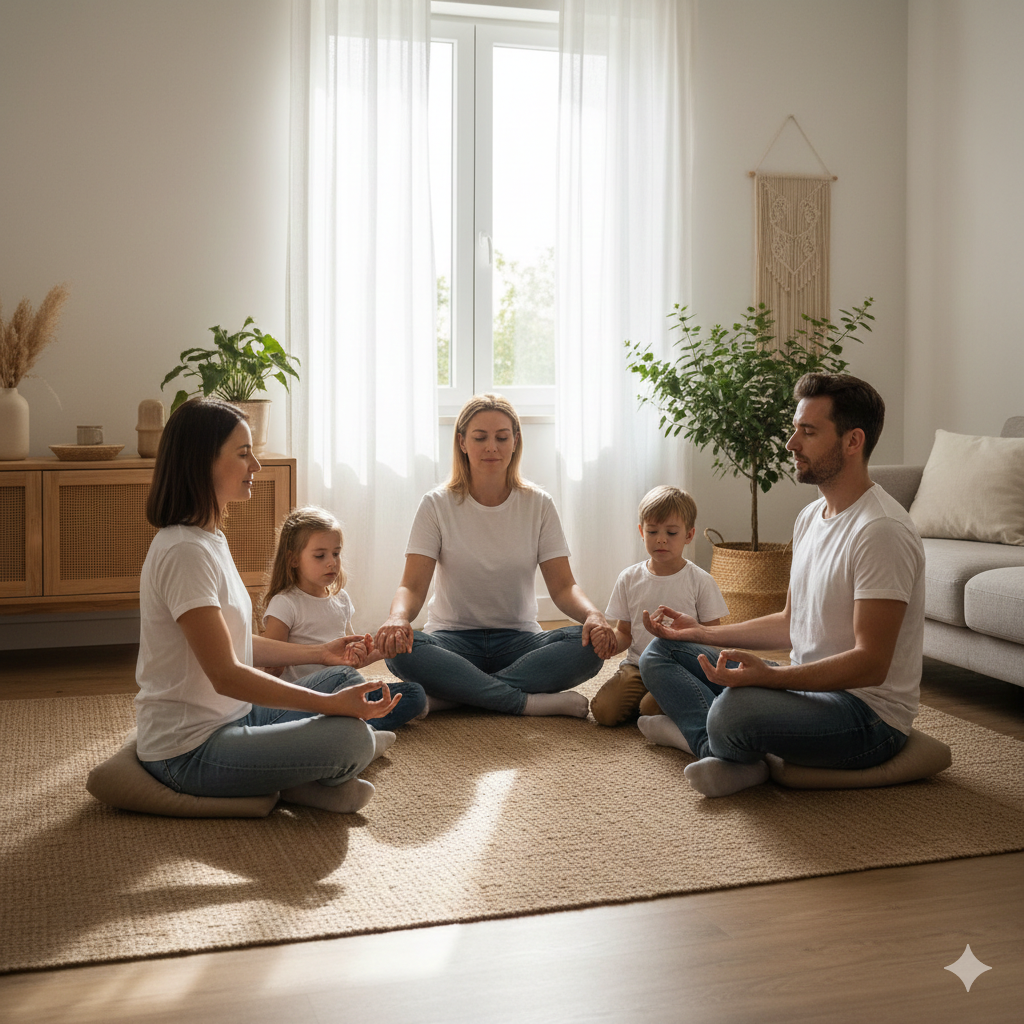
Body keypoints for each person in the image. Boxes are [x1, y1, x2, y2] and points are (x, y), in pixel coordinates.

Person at [638, 373, 926, 798]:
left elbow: (871, 663)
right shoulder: (811, 517)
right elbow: (791, 622)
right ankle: (722, 752)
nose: (791, 443)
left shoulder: (880, 530)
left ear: (853, 441)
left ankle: (711, 741)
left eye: (808, 432)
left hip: (865, 716)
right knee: (660, 651)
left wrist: (771, 680)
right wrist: (698, 633)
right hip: (805, 687)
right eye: (796, 429)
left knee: (734, 711)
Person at [135, 398, 403, 815]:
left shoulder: (210, 538)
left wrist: (318, 653)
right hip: (188, 751)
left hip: (238, 717)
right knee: (349, 738)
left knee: (337, 676)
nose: (256, 466)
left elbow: (237, 644)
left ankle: (297, 778)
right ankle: (312, 776)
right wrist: (331, 709)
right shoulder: (183, 552)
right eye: (243, 454)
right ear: (201, 462)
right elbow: (226, 674)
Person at [375, 393, 616, 717]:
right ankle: (524, 702)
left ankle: (457, 695)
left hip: (520, 643)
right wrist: (397, 618)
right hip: (451, 640)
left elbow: (563, 587)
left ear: (516, 441)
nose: (492, 447)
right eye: (480, 437)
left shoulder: (539, 504)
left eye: (502, 437)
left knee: (587, 648)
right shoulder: (436, 505)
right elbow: (412, 588)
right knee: (400, 651)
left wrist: (593, 616)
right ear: (462, 442)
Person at [261, 505, 426, 720]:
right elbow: (271, 660)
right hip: (304, 699)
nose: (332, 562)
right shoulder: (285, 603)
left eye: (336, 554)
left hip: (343, 690)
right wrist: (272, 670)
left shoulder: (341, 600)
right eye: (320, 556)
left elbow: (353, 659)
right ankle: (353, 727)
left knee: (415, 694)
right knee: (344, 676)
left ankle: (349, 727)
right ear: (293, 560)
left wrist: (384, 650)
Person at [590, 485, 729, 726]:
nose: (661, 539)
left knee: (649, 707)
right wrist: (609, 645)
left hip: (678, 669)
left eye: (672, 533)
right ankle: (657, 705)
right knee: (604, 712)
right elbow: (624, 632)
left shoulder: (700, 581)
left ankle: (662, 704)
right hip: (638, 666)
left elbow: (713, 639)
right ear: (641, 532)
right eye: (652, 531)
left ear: (689, 534)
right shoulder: (629, 578)